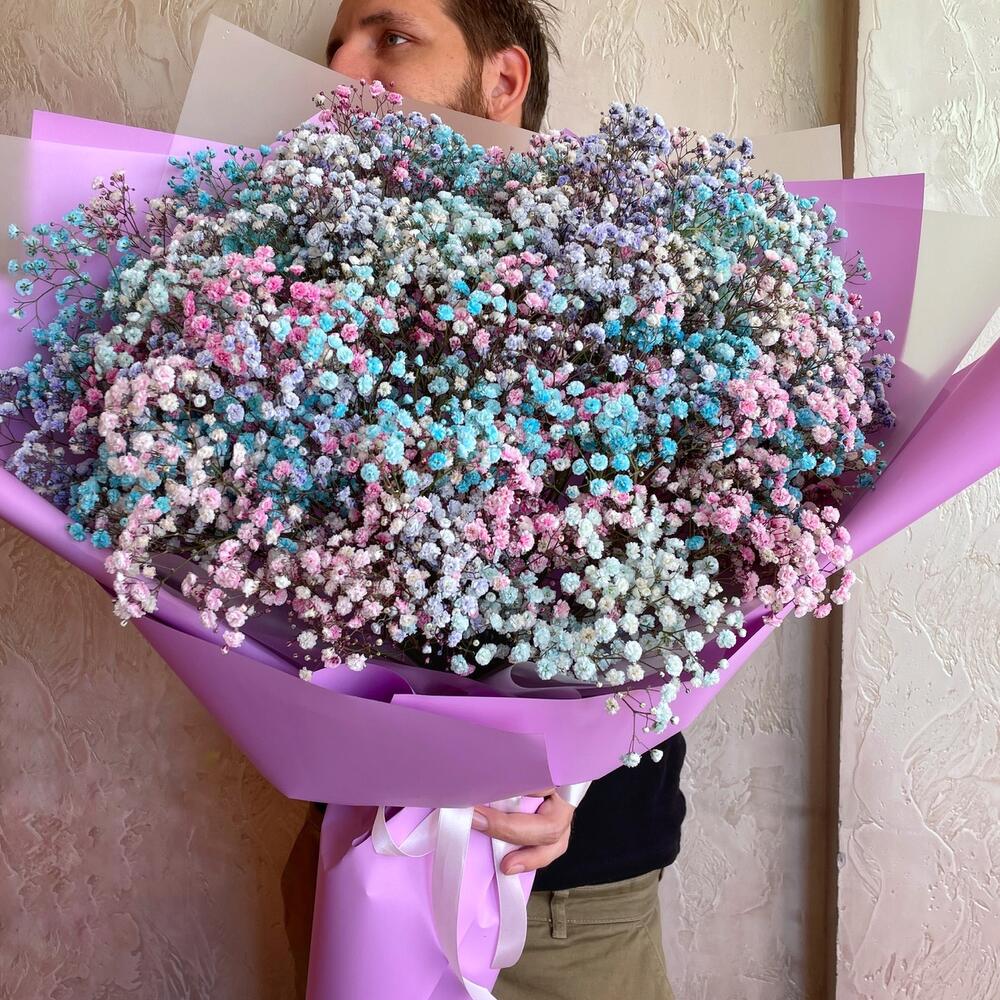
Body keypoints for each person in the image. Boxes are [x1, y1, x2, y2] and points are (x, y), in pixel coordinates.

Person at [280, 2, 687, 998]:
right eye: (335, 47)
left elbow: (702, 570)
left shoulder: (634, 273)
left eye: (391, 37)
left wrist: (572, 769)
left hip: (555, 893)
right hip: (352, 855)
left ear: (502, 82)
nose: (345, 69)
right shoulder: (294, 282)